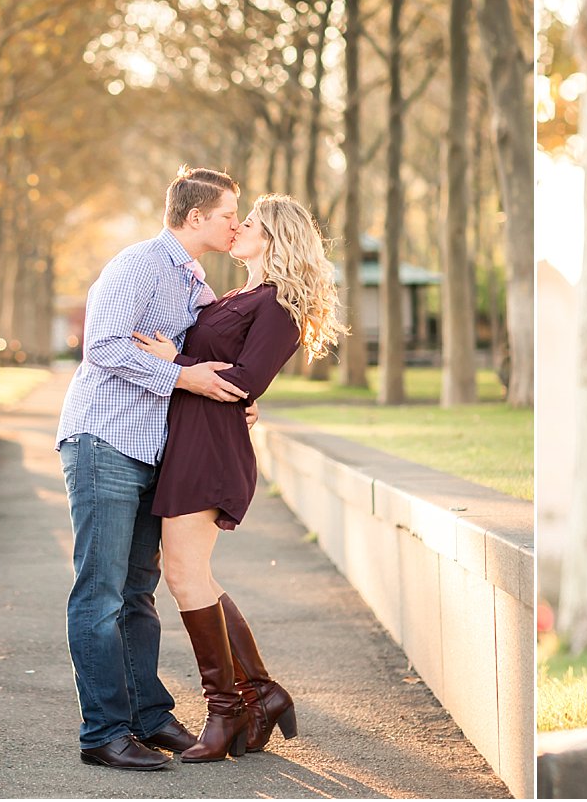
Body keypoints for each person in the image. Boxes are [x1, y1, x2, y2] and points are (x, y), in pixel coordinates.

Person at [56, 167, 257, 771]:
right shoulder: (138, 264)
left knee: (139, 592)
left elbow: (204, 359)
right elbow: (105, 347)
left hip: (154, 452)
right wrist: (186, 377)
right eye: (228, 215)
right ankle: (104, 733)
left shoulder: (193, 280)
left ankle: (148, 716)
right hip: (104, 440)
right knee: (102, 593)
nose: (236, 225)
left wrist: (237, 399)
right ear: (195, 217)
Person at [134, 193, 344, 762]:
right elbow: (227, 372)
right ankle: (258, 693)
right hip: (193, 438)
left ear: (273, 237)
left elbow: (247, 379)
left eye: (246, 223)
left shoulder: (278, 304)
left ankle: (226, 710)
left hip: (212, 448)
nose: (237, 228)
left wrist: (170, 364)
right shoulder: (240, 295)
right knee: (190, 574)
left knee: (184, 573)